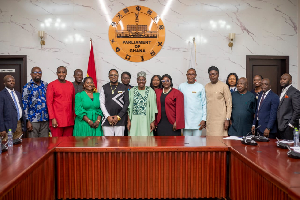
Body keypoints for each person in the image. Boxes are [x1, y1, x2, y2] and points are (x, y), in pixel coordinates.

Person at [46, 66, 75, 137]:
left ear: (66, 73)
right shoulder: (51, 85)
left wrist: (74, 116)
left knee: (68, 144)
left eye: (63, 72)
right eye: (59, 72)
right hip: (57, 120)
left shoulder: (70, 85)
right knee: (57, 143)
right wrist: (52, 118)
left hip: (69, 119)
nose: (61, 74)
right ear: (56, 73)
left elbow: (73, 102)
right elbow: (49, 103)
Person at [100, 69, 129, 136]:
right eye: (111, 75)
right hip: (107, 120)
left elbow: (126, 103)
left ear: (118, 76)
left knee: (119, 144)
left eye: (115, 75)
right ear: (108, 76)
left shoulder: (124, 87)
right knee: (107, 143)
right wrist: (108, 117)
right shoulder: (104, 87)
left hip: (120, 120)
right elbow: (102, 103)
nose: (113, 77)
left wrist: (118, 117)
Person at [127, 71, 157, 136]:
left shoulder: (150, 91)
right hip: (134, 120)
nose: (141, 81)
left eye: (143, 79)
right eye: (139, 80)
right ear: (137, 81)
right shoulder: (132, 91)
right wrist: (129, 121)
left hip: (147, 120)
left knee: (146, 138)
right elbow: (129, 108)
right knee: (133, 138)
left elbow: (153, 108)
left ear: (145, 81)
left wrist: (152, 121)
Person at [22, 67, 49, 138]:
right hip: (33, 121)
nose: (37, 74)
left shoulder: (45, 85)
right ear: (31, 74)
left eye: (39, 72)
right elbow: (25, 105)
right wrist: (27, 121)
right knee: (33, 145)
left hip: (45, 120)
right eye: (35, 72)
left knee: (45, 144)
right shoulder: (27, 87)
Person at [205, 66, 232, 136]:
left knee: (221, 142)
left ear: (218, 75)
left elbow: (229, 104)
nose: (212, 76)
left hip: (221, 120)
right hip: (209, 120)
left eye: (215, 74)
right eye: (210, 74)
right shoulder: (206, 87)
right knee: (210, 143)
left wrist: (227, 119)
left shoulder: (224, 86)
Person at [179, 68, 206, 136]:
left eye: (193, 74)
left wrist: (204, 119)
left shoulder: (200, 87)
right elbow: (178, 104)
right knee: (187, 144)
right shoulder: (181, 86)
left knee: (197, 144)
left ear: (195, 75)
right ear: (186, 75)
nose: (191, 76)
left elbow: (204, 104)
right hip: (186, 121)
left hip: (198, 121)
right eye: (189, 74)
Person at [0, 75, 26, 140]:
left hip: (18, 124)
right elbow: (0, 113)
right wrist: (2, 129)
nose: (11, 82)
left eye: (13, 81)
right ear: (4, 83)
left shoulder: (18, 94)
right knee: (8, 147)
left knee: (18, 147)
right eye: (9, 81)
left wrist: (24, 124)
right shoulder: (1, 95)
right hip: (7, 126)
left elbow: (21, 109)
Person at [277, 73, 300, 140]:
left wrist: (291, 124)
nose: (282, 81)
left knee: (289, 147)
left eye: (284, 79)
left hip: (289, 127)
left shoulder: (294, 92)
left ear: (290, 81)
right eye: (281, 79)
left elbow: (298, 110)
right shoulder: (282, 91)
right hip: (280, 125)